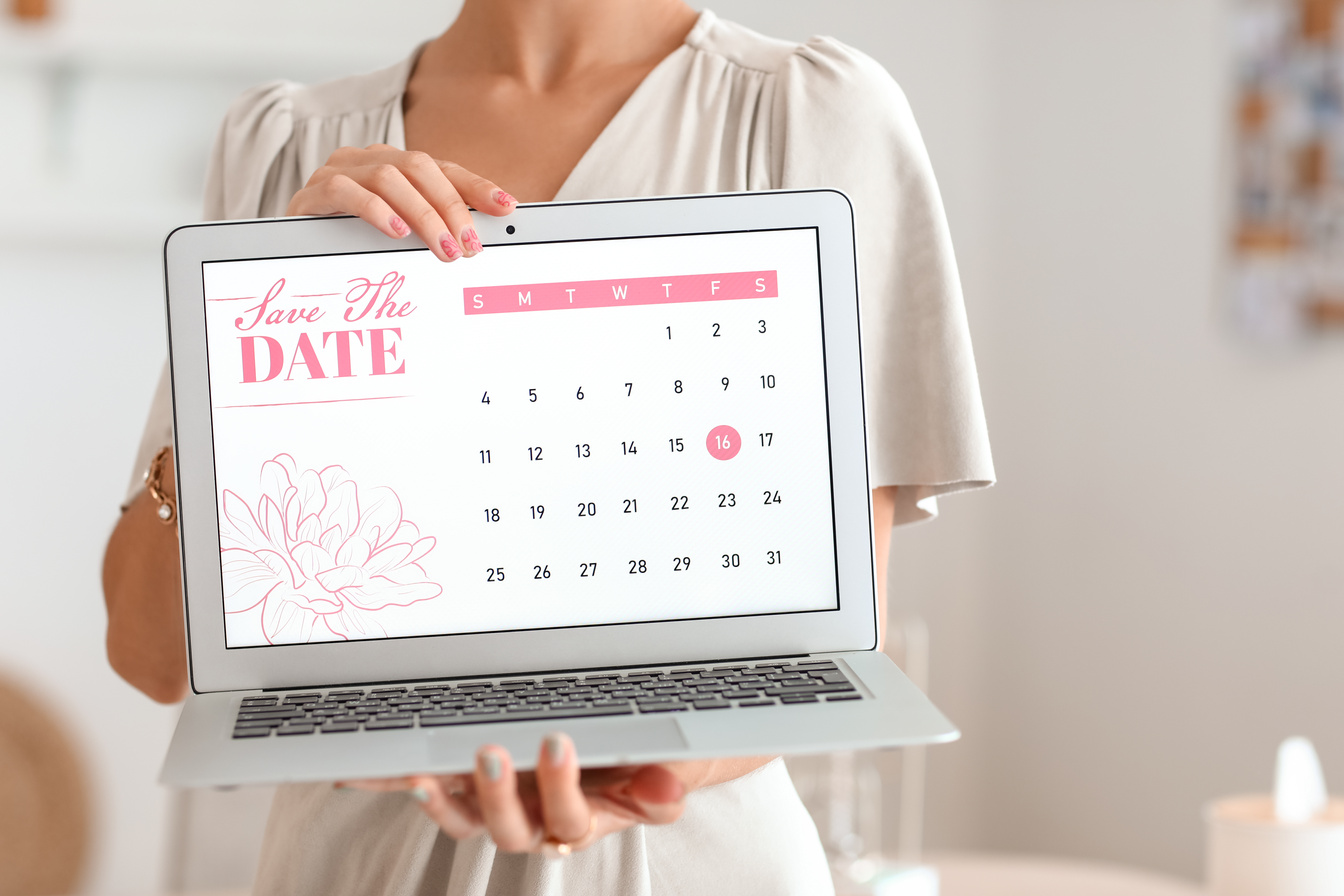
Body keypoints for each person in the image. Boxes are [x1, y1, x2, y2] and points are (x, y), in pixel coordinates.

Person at [102, 1, 994, 893]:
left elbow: (833, 638)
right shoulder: (286, 140)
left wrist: (644, 771)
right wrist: (260, 342)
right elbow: (154, 656)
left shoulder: (810, 110)